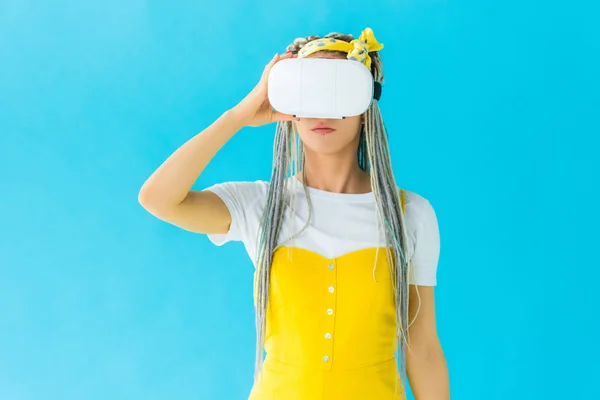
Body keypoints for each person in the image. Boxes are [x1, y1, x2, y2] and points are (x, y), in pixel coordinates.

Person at [139, 27, 449, 400]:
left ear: (366, 103)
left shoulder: (410, 215)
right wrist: (239, 114)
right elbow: (158, 198)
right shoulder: (261, 206)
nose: (321, 110)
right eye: (307, 92)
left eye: (338, 91)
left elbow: (424, 348)